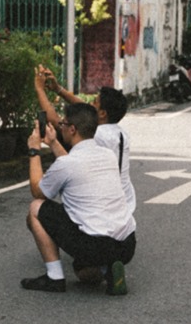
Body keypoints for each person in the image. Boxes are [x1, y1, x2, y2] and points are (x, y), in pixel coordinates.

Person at [22, 102, 135, 296]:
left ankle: (54, 277)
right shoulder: (107, 155)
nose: (61, 127)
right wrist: (54, 143)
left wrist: (34, 151)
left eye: (63, 124)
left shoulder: (67, 164)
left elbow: (38, 191)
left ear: (72, 129)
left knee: (36, 208)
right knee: (82, 273)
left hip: (94, 245)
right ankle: (107, 270)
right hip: (126, 245)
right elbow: (74, 165)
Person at [34, 65, 137, 225]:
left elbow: (57, 121)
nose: (90, 104)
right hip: (124, 204)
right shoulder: (119, 133)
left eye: (95, 102)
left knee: (44, 204)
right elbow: (85, 110)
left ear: (102, 114)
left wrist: (39, 89)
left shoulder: (99, 134)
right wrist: (58, 89)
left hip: (103, 206)